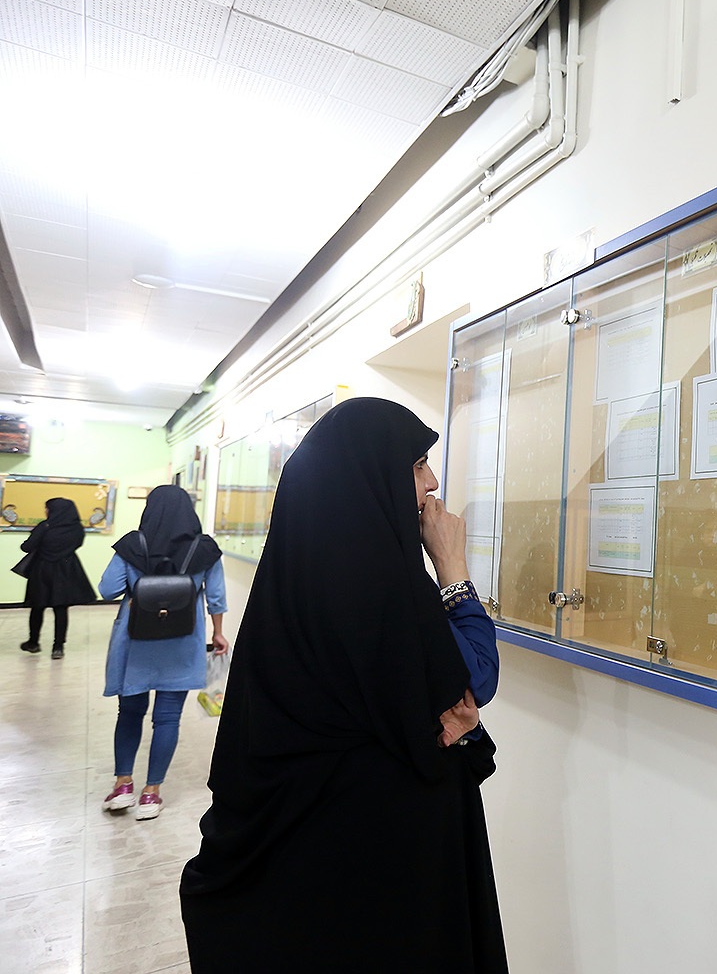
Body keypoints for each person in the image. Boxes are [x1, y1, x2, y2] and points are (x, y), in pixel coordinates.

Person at [180, 397, 505, 972]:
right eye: (418, 464)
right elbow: (475, 678)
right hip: (379, 862)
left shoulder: (291, 576)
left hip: (294, 863)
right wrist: (452, 569)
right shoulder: (385, 585)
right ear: (373, 476)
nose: (432, 482)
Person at [98, 485, 229, 821]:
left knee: (129, 713)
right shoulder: (205, 549)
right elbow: (216, 598)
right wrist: (217, 633)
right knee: (168, 718)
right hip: (182, 642)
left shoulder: (133, 545)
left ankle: (123, 786)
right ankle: (151, 793)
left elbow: (108, 589)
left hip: (135, 641)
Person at [14, 497, 97, 658]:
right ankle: (58, 647)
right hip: (66, 569)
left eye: (47, 508)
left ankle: (33, 643)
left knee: (38, 607)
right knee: (61, 608)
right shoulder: (77, 529)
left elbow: (26, 547)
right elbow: (77, 544)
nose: (46, 511)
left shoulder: (45, 526)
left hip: (42, 570)